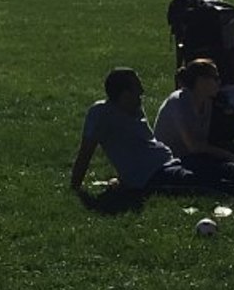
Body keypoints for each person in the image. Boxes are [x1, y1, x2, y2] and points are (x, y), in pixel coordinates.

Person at [68, 67, 199, 198]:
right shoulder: (101, 114)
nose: (142, 92)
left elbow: (141, 145)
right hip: (153, 175)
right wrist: (75, 187)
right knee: (201, 183)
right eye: (137, 89)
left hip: (170, 162)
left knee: (209, 166)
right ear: (125, 95)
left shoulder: (135, 108)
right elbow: (85, 154)